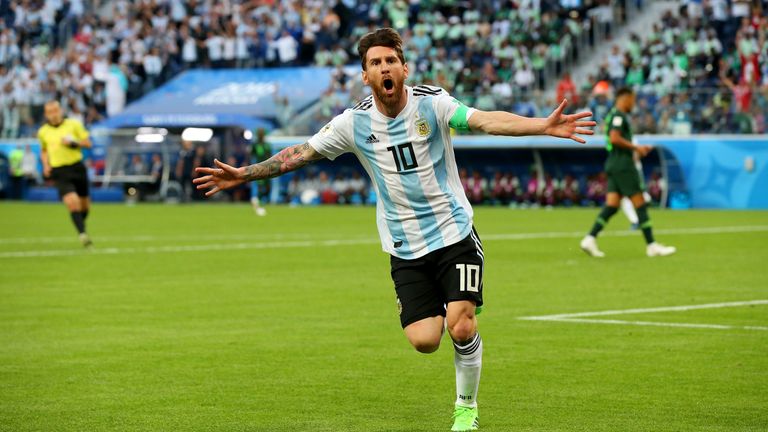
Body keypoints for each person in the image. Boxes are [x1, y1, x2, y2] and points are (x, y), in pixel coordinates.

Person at [194, 28, 595, 432]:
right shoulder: (354, 123)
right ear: (365, 76)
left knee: (461, 323)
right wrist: (244, 175)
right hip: (404, 245)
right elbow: (301, 153)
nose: (384, 68)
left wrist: (541, 126)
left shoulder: (433, 105)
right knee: (425, 340)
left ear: (403, 68)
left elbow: (485, 120)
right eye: (375, 63)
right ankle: (453, 304)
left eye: (390, 61)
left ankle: (466, 409)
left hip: (454, 233)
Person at [580, 88, 676, 258]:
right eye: (632, 100)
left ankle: (590, 238)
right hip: (623, 165)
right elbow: (615, 138)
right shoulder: (618, 116)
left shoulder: (612, 115)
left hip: (614, 163)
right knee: (640, 203)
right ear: (624, 99)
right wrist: (636, 147)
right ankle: (652, 245)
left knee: (612, 205)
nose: (633, 103)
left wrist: (636, 149)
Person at [38, 100, 93, 247]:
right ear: (46, 114)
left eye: (55, 111)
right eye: (50, 112)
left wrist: (73, 143)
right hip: (59, 171)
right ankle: (83, 235)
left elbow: (88, 143)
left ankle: (81, 226)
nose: (53, 115)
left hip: (77, 167)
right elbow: (43, 150)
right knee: (72, 201)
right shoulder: (43, 132)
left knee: (85, 206)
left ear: (61, 111)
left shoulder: (73, 125)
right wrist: (45, 165)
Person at [249, 128, 271, 216]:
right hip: (259, 168)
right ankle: (258, 203)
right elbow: (251, 154)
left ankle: (259, 201)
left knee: (267, 187)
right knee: (260, 186)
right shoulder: (255, 144)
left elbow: (270, 156)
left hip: (268, 168)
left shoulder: (267, 145)